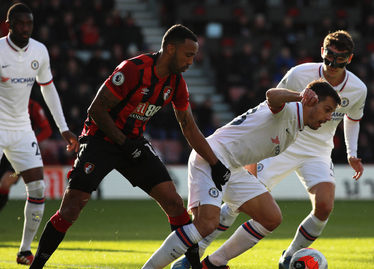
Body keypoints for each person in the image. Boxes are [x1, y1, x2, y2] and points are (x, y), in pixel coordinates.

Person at [28, 24, 231, 269]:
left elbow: (189, 129)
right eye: (188, 55)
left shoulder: (176, 84)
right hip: (99, 141)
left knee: (175, 203)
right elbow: (97, 110)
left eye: (194, 56)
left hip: (133, 144)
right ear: (170, 49)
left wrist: (215, 163)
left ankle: (192, 266)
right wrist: (125, 143)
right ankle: (36, 266)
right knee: (71, 209)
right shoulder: (133, 70)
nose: (191, 61)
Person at [171, 30, 367, 269]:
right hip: (285, 143)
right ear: (322, 53)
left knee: (324, 206)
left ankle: (287, 257)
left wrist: (352, 153)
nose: (333, 64)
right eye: (329, 57)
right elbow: (272, 104)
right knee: (237, 203)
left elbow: (353, 119)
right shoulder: (300, 74)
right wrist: (255, 147)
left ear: (350, 59)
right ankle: (193, 256)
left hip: (318, 151)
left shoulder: (358, 89)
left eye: (341, 59)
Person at [142, 78, 342, 269]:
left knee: (271, 217)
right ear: (312, 101)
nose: (328, 118)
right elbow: (272, 95)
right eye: (327, 110)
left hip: (233, 167)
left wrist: (251, 181)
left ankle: (213, 264)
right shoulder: (290, 110)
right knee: (206, 224)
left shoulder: (295, 128)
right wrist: (300, 95)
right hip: (212, 156)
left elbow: (254, 147)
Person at [0, 3, 79, 267]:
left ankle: (25, 251)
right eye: (21, 23)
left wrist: (63, 128)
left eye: (29, 24)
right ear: (9, 24)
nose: (26, 28)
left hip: (22, 128)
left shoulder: (40, 51)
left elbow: (49, 90)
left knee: (38, 189)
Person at [0, 99, 53, 234]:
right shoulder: (5, 104)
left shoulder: (33, 106)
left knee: (5, 183)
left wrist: (31, 141)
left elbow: (47, 130)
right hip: (3, 153)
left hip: (21, 156)